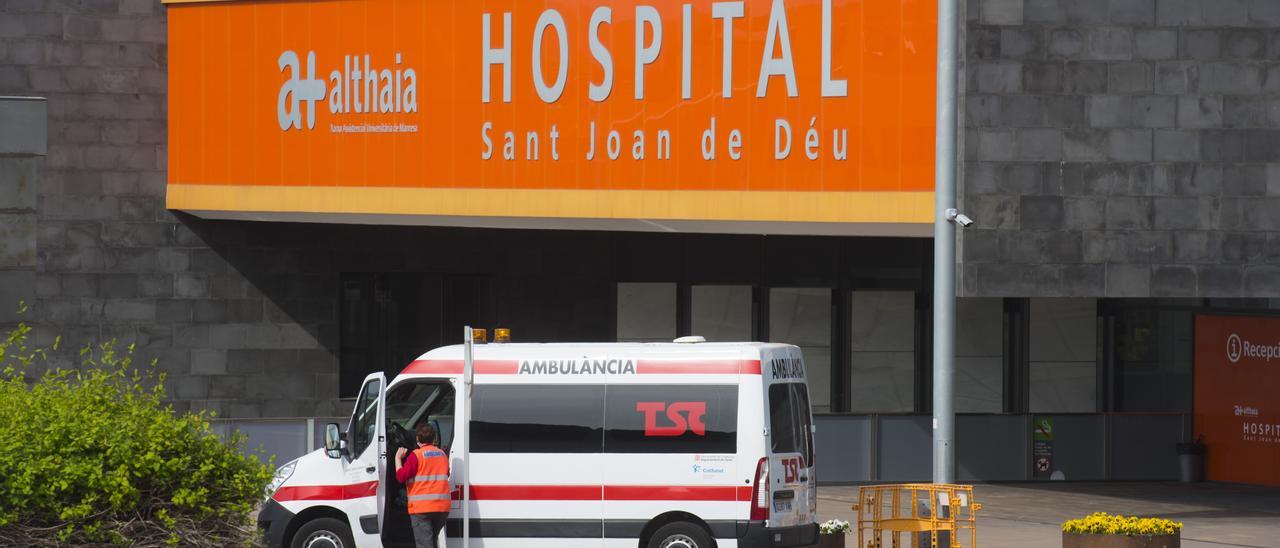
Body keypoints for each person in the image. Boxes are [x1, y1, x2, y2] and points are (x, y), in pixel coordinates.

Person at [395, 423, 451, 548]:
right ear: (434, 438)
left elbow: (401, 477)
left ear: (417, 439)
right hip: (442, 509)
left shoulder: (416, 455)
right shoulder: (442, 454)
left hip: (422, 510)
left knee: (425, 545)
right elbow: (446, 473)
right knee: (431, 542)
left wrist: (398, 458)